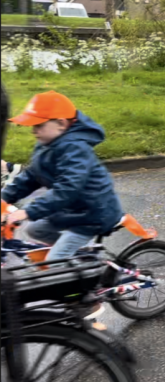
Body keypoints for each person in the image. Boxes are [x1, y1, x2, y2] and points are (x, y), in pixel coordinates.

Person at [0, 91, 123, 262]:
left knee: (54, 263)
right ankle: (79, 257)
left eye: (39, 125)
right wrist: (5, 198)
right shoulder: (47, 144)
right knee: (35, 230)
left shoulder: (76, 149)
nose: (34, 131)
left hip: (92, 215)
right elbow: (32, 175)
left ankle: (76, 274)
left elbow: (67, 189)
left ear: (61, 123)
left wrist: (27, 211)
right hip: (71, 210)